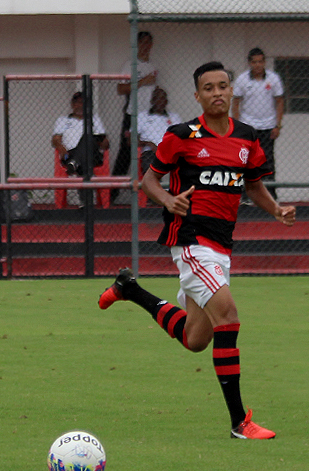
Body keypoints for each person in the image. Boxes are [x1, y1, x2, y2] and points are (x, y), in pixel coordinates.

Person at [98, 62, 295, 440]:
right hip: (190, 241)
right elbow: (148, 181)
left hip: (221, 246)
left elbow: (253, 186)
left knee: (196, 339)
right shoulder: (181, 135)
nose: (217, 92)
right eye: (209, 88)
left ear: (231, 91)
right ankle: (240, 423)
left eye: (222, 86)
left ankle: (129, 289)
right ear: (197, 96)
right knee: (229, 316)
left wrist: (276, 210)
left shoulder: (248, 138)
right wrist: (168, 200)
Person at [232, 47, 285, 200]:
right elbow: (236, 103)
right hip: (248, 127)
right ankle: (245, 195)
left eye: (260, 61)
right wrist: (237, 127)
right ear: (249, 63)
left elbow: (280, 101)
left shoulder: (273, 78)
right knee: (246, 160)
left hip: (268, 127)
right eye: (254, 62)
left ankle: (271, 195)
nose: (257, 65)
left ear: (264, 62)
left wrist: (277, 125)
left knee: (268, 161)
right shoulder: (242, 79)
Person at [113, 32, 158, 180]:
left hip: (149, 116)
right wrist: (143, 81)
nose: (146, 46)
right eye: (142, 42)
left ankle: (148, 187)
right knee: (126, 151)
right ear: (137, 45)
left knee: (149, 150)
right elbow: (121, 89)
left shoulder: (152, 66)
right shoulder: (130, 65)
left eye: (148, 43)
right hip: (133, 114)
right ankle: (114, 190)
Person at [51, 92, 109, 206]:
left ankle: (75, 163)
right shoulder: (63, 120)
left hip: (93, 155)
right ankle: (86, 202)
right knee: (85, 163)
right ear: (72, 104)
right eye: (77, 102)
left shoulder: (94, 119)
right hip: (69, 155)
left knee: (88, 136)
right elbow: (55, 140)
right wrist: (61, 148)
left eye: (83, 103)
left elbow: (105, 142)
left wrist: (102, 141)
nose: (80, 105)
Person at [138, 87, 181, 175]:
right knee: (150, 166)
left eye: (162, 98)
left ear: (166, 101)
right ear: (152, 101)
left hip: (170, 151)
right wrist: (149, 144)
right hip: (151, 152)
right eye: (157, 98)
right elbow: (131, 140)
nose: (160, 101)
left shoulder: (174, 117)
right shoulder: (142, 116)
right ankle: (155, 183)